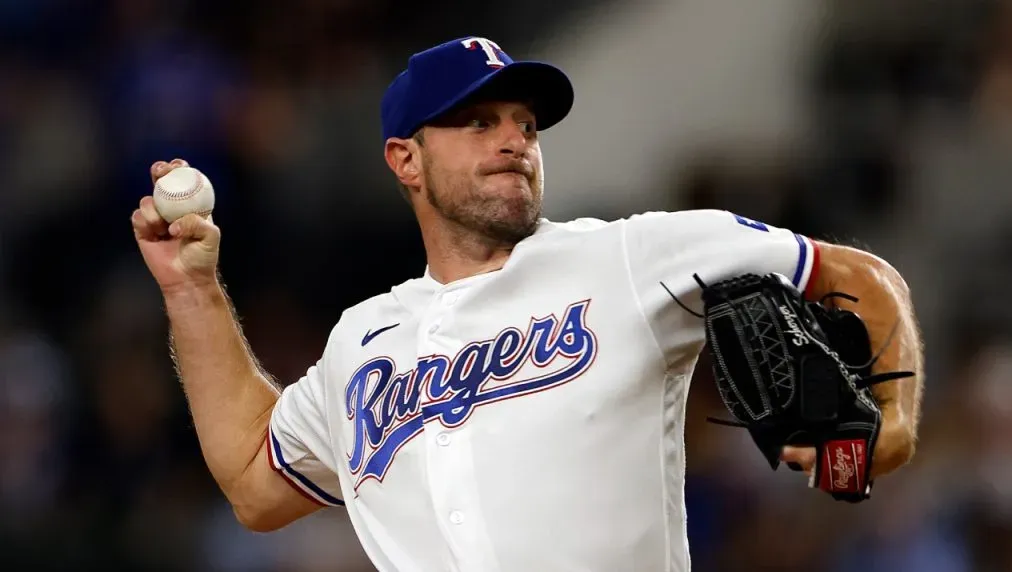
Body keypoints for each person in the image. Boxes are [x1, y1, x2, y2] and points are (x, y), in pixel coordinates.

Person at [130, 36, 924, 571]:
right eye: (478, 123)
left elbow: (856, 275)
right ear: (404, 159)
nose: (513, 140)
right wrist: (191, 287)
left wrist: (888, 428)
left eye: (524, 123)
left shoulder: (627, 254)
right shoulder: (361, 342)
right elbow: (253, 480)